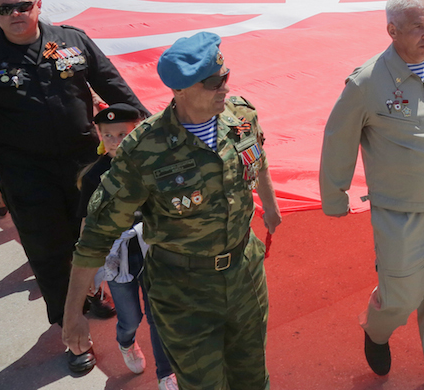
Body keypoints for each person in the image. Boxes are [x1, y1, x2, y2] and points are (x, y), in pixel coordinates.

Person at [62, 32, 282, 390]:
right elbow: (96, 235)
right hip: (185, 293)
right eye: (213, 83)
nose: (224, 88)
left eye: (225, 77)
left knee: (253, 378)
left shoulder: (240, 114)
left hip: (245, 275)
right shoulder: (144, 149)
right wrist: (73, 314)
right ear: (180, 90)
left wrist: (270, 206)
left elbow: (258, 157)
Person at [0, 0, 148, 375]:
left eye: (24, 5)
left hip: (85, 165)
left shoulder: (73, 41)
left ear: (39, 5)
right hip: (26, 174)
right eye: (5, 8)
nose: (16, 13)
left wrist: (152, 133)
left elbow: (115, 88)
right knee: (49, 251)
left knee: (95, 238)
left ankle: (91, 292)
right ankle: (72, 333)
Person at [319, 0, 424, 390]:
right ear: (392, 30)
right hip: (399, 213)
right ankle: (376, 330)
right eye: (416, 27)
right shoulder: (366, 82)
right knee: (403, 295)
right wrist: (335, 195)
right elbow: (338, 139)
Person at [78, 105, 178, 389]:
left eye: (123, 133)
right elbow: (87, 225)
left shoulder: (154, 164)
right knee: (130, 317)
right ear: (99, 135)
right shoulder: (93, 177)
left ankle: (165, 373)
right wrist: (88, 271)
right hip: (118, 257)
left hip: (153, 251)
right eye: (108, 134)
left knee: (158, 315)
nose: (115, 140)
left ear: (138, 133)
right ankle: (126, 341)